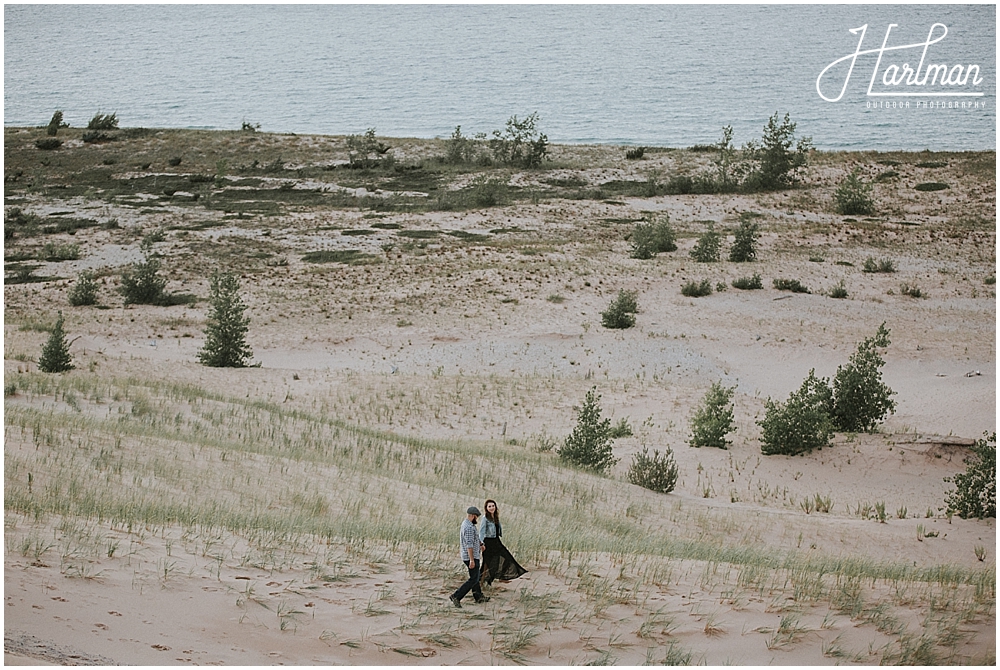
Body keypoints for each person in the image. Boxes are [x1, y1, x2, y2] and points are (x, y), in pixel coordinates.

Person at [479, 499, 527, 586]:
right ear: (486, 508)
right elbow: (481, 532)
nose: (491, 508)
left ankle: (489, 579)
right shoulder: (485, 518)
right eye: (489, 506)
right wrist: (481, 543)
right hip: (488, 543)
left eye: (493, 506)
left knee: (507, 557)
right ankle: (482, 580)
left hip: (497, 541)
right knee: (488, 563)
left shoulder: (496, 517)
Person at [449, 506, 489, 607]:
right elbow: (469, 545)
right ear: (472, 516)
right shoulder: (468, 527)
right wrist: (471, 560)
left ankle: (478, 596)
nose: (477, 519)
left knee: (475, 576)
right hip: (470, 556)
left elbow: (474, 538)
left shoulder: (468, 524)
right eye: (476, 517)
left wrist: (480, 544)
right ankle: (456, 596)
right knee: (474, 579)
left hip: (472, 555)